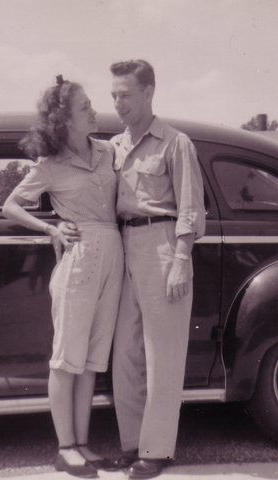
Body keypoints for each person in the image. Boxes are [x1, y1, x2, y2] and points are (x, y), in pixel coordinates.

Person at [2, 76, 124, 478]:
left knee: (91, 360)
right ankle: (65, 447)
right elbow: (10, 206)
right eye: (85, 106)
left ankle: (84, 444)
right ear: (64, 119)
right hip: (80, 255)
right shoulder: (50, 166)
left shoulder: (109, 151)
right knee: (66, 358)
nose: (94, 109)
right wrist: (51, 228)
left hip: (114, 254)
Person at [109, 60, 206, 479]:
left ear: (148, 92)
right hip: (123, 245)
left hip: (163, 245)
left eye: (125, 94)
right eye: (113, 95)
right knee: (126, 352)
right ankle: (132, 443)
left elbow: (190, 209)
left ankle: (157, 450)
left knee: (162, 354)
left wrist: (180, 261)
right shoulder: (114, 145)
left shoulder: (175, 143)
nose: (118, 103)